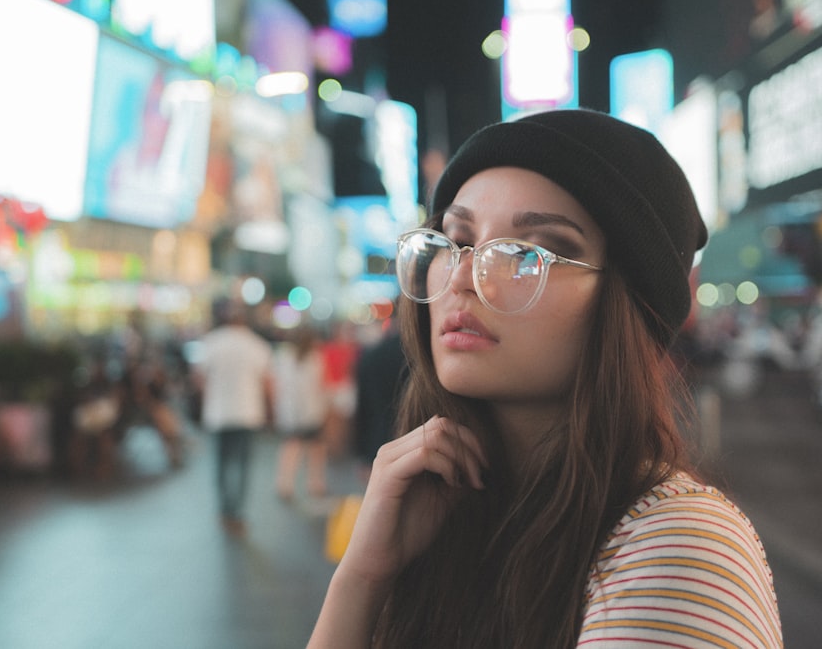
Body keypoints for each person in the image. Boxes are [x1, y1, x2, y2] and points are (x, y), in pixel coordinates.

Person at [307, 109, 782, 648]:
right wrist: (362, 577)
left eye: (524, 253)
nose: (462, 277)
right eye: (456, 240)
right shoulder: (449, 518)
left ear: (624, 302)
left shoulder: (675, 547)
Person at [194, 300, 273, 536]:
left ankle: (224, 510)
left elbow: (198, 377)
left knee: (221, 463)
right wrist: (271, 410)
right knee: (241, 464)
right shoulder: (257, 345)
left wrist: (209, 395)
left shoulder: (211, 342)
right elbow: (268, 383)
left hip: (218, 413)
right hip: (247, 412)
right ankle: (236, 512)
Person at [273, 325, 331, 500]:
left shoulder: (283, 357)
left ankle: (285, 484)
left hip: (289, 412)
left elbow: (276, 384)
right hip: (312, 410)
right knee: (316, 449)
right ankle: (315, 483)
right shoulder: (316, 359)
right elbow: (322, 385)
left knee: (290, 447)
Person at [351, 313, 409, 483]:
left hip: (376, 441)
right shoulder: (420, 355)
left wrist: (362, 454)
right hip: (414, 439)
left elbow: (363, 408)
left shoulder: (371, 355)